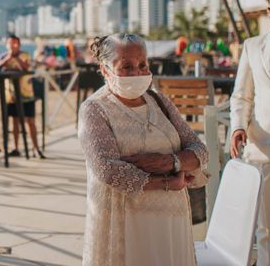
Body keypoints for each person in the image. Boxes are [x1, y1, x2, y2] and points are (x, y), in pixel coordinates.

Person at [78, 33, 208, 266]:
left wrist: (171, 162)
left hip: (171, 222)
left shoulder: (160, 102)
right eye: (126, 67)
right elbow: (107, 170)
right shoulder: (95, 110)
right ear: (105, 69)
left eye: (142, 65)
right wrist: (168, 183)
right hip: (125, 223)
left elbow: (199, 149)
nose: (137, 73)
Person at [230, 0, 270, 265]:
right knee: (267, 230)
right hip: (263, 147)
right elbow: (242, 94)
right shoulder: (252, 46)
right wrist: (237, 126)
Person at [0, 34, 45, 159]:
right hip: (11, 94)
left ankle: (35, 148)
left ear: (19, 44)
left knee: (31, 121)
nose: (13, 45)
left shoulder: (25, 55)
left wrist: (16, 58)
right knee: (15, 121)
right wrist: (8, 58)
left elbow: (26, 68)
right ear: (7, 44)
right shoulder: (3, 56)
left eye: (15, 43)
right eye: (10, 43)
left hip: (27, 93)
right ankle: (16, 148)